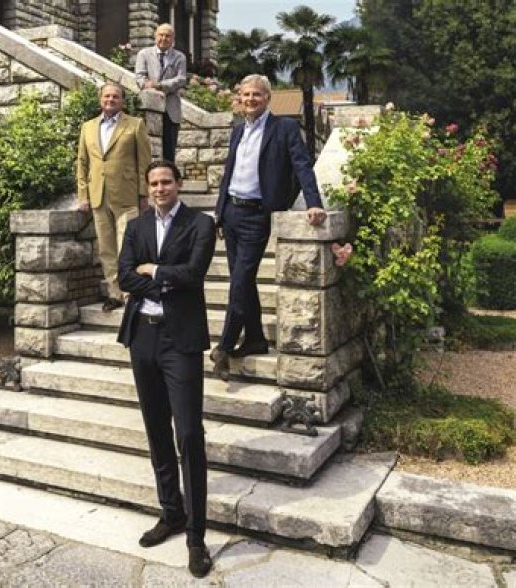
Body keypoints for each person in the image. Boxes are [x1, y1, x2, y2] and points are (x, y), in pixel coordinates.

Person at [117, 160, 216, 578]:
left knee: (189, 434)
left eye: (167, 182)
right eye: (154, 183)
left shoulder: (200, 224)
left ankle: (196, 538)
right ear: (148, 188)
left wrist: (154, 270)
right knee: (156, 429)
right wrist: (164, 282)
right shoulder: (136, 227)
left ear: (178, 184)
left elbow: (194, 274)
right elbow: (125, 277)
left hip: (181, 341)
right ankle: (171, 512)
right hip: (143, 337)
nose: (160, 188)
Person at [210, 74, 327, 381]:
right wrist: (220, 213)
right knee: (243, 281)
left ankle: (223, 347)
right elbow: (229, 173)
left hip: (257, 216)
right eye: (246, 94)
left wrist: (313, 202)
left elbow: (302, 165)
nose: (250, 100)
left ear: (267, 98)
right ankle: (255, 339)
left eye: (256, 95)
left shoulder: (283, 128)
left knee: (240, 280)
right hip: (232, 213)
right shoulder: (238, 130)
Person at [77, 82, 152, 312]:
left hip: (127, 195)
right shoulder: (88, 127)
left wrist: (144, 194)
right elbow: (82, 163)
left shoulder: (135, 125)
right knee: (106, 248)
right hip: (98, 195)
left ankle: (130, 293)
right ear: (100, 100)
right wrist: (83, 195)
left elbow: (144, 162)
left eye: (115, 96)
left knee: (126, 246)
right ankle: (115, 293)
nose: (110, 100)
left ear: (122, 101)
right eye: (107, 96)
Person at [135, 23, 187, 162]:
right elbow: (140, 77)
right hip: (149, 107)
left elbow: (181, 79)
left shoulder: (179, 57)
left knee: (169, 153)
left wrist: (158, 85)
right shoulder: (144, 54)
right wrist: (146, 85)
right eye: (161, 35)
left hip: (171, 110)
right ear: (155, 36)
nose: (164, 38)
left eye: (168, 36)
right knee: (148, 150)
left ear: (173, 38)